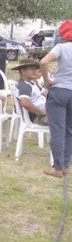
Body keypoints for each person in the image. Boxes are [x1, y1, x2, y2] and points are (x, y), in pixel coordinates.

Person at [40, 19, 72, 178]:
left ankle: (57, 168)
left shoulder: (62, 47)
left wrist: (47, 80)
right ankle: (65, 165)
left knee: (57, 130)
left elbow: (43, 62)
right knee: (69, 131)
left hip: (59, 91)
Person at [12, 59, 47, 125]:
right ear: (23, 71)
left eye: (35, 69)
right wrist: (42, 112)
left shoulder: (32, 83)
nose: (35, 71)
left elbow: (46, 93)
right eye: (32, 69)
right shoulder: (24, 86)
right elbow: (25, 103)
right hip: (39, 117)